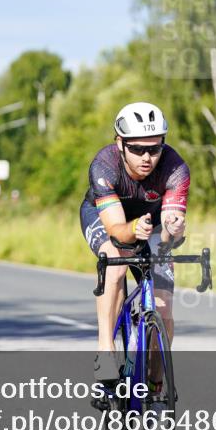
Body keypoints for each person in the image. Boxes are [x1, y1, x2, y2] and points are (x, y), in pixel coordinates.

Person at [79, 102, 189, 382]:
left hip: (149, 223)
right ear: (120, 143)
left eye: (154, 148)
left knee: (163, 308)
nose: (147, 157)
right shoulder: (104, 166)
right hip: (107, 218)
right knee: (115, 265)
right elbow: (117, 230)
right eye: (137, 149)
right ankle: (105, 348)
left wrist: (172, 230)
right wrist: (133, 229)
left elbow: (167, 233)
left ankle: (155, 388)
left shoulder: (176, 169)